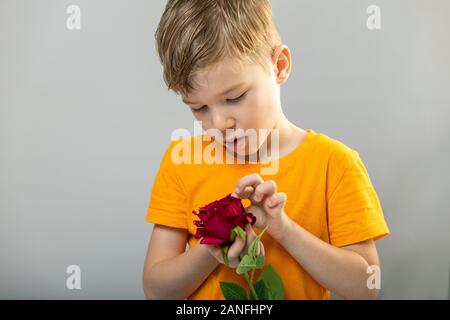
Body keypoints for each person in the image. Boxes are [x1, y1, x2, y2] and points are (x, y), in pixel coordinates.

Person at [142, 0, 389, 300]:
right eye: (199, 108)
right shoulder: (181, 161)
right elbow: (156, 291)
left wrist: (283, 229)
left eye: (234, 97)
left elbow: (366, 287)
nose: (219, 123)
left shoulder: (334, 164)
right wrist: (212, 248)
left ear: (279, 66)